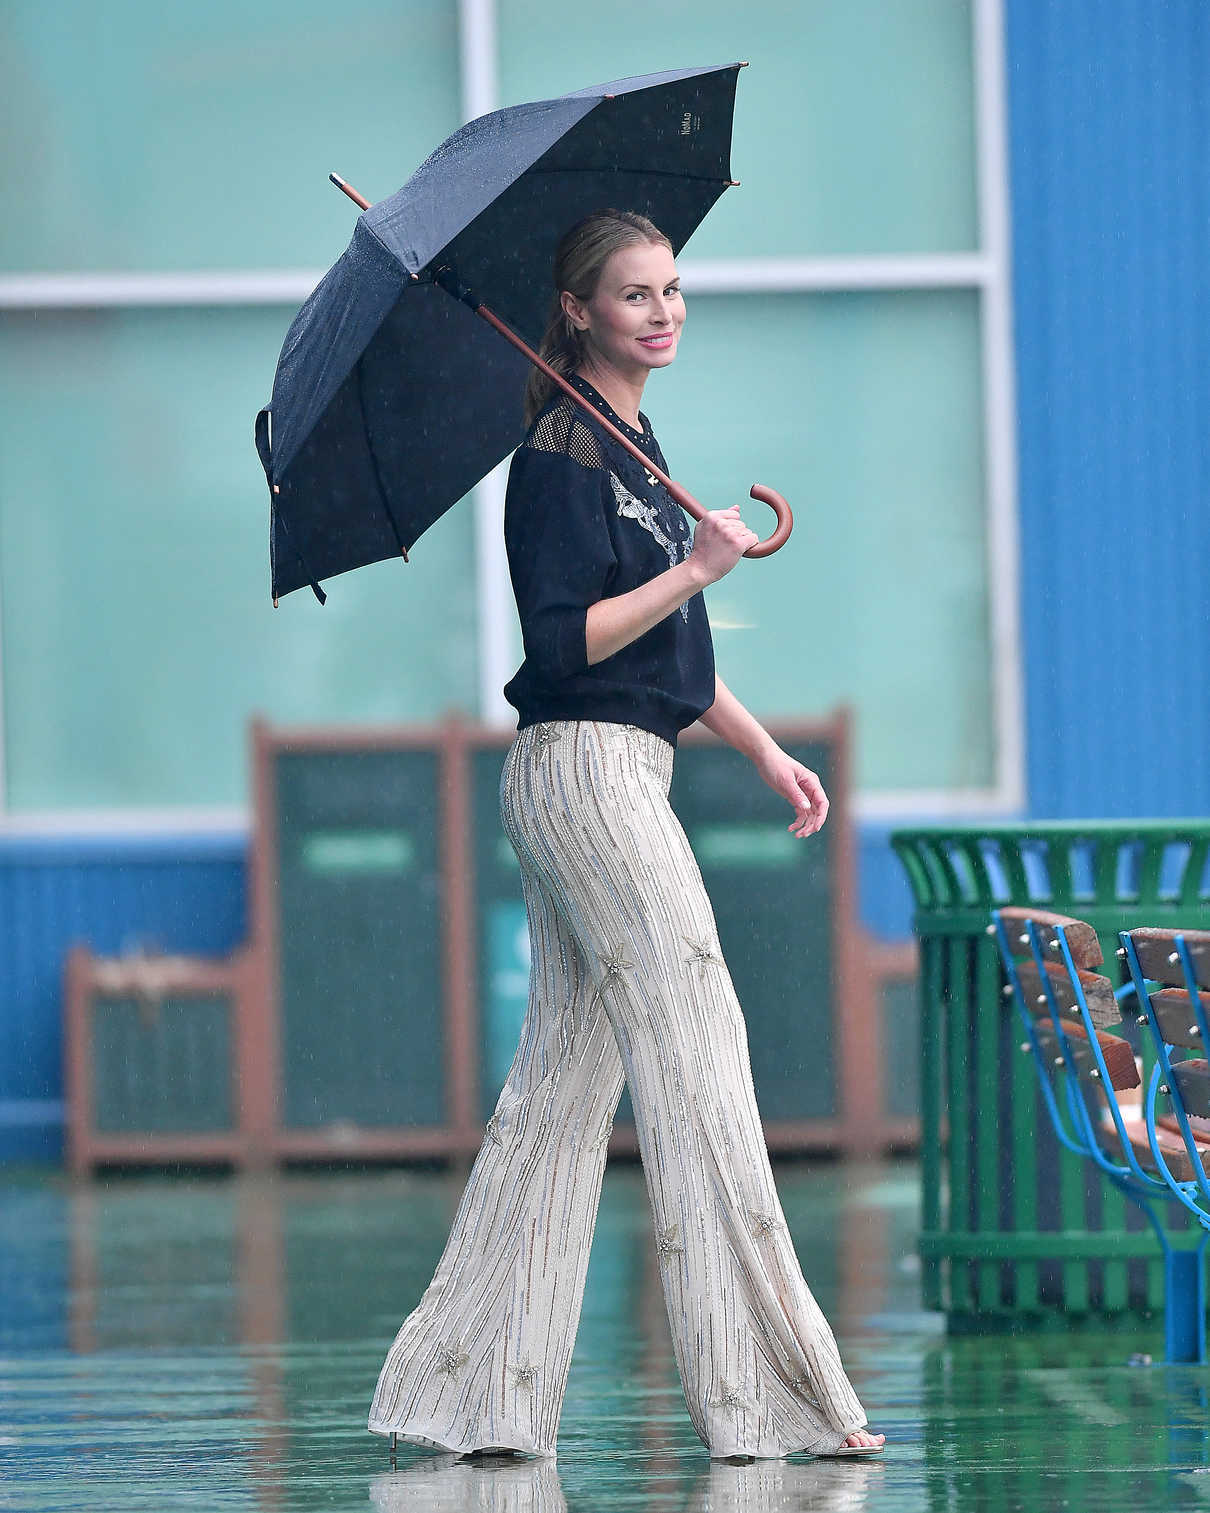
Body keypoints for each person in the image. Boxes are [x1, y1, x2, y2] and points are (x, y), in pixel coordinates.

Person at [368, 209, 884, 1463]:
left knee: (561, 1088)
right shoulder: (556, 450)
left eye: (672, 288)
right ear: (582, 312)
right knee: (697, 1037)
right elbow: (563, 645)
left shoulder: (631, 444)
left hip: (616, 769)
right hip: (582, 774)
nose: (663, 310)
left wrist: (762, 749)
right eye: (635, 294)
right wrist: (697, 568)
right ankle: (771, 1400)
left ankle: (466, 1398)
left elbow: (669, 659)